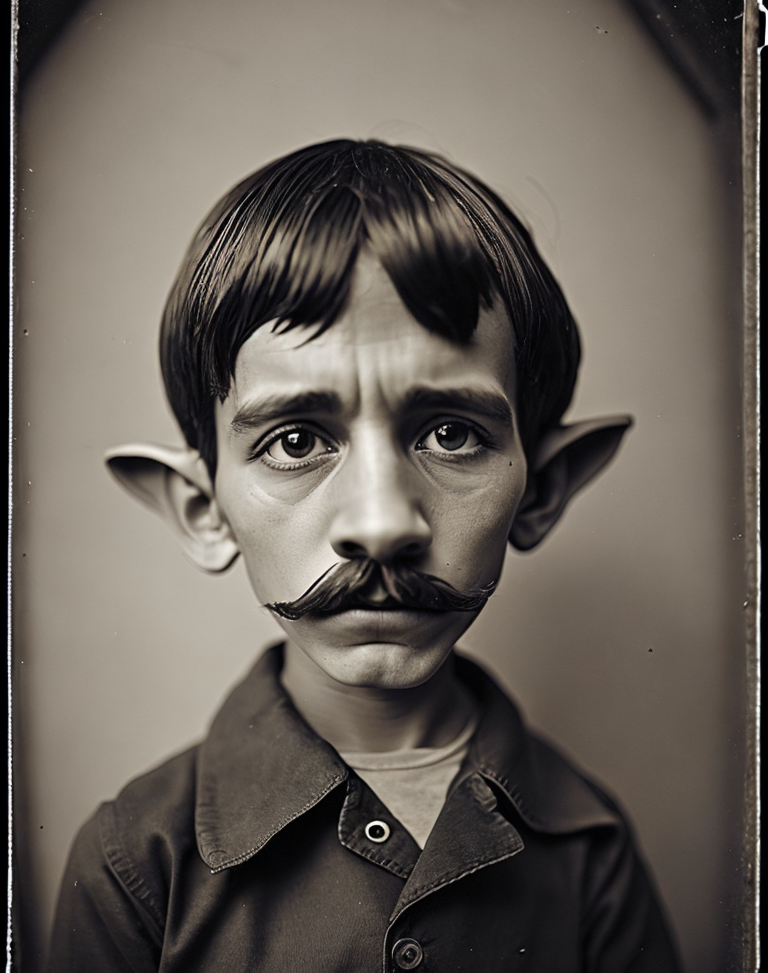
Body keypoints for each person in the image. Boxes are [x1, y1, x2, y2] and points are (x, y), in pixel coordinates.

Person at [48, 140, 680, 971]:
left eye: (452, 434)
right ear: (202, 508)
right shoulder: (136, 864)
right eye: (296, 440)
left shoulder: (591, 853)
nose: (382, 525)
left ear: (545, 486)